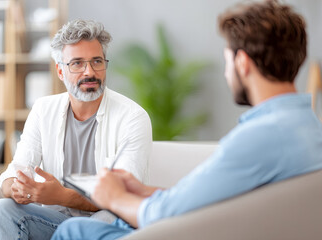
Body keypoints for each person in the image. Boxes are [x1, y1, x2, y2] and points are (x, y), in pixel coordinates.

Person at [51, 1, 322, 239]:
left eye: (227, 60)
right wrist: (142, 191)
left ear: (242, 63)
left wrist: (114, 196)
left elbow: (162, 215)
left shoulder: (260, 137)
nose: (227, 74)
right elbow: (210, 196)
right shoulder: (306, 126)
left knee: (73, 230)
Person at [0, 19, 152, 240]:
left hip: (108, 220)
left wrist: (63, 196)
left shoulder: (132, 117)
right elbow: (16, 171)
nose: (89, 72)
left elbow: (121, 197)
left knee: (101, 221)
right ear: (60, 71)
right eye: (77, 63)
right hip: (54, 220)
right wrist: (16, 188)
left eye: (96, 61)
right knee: (0, 210)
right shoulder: (43, 109)